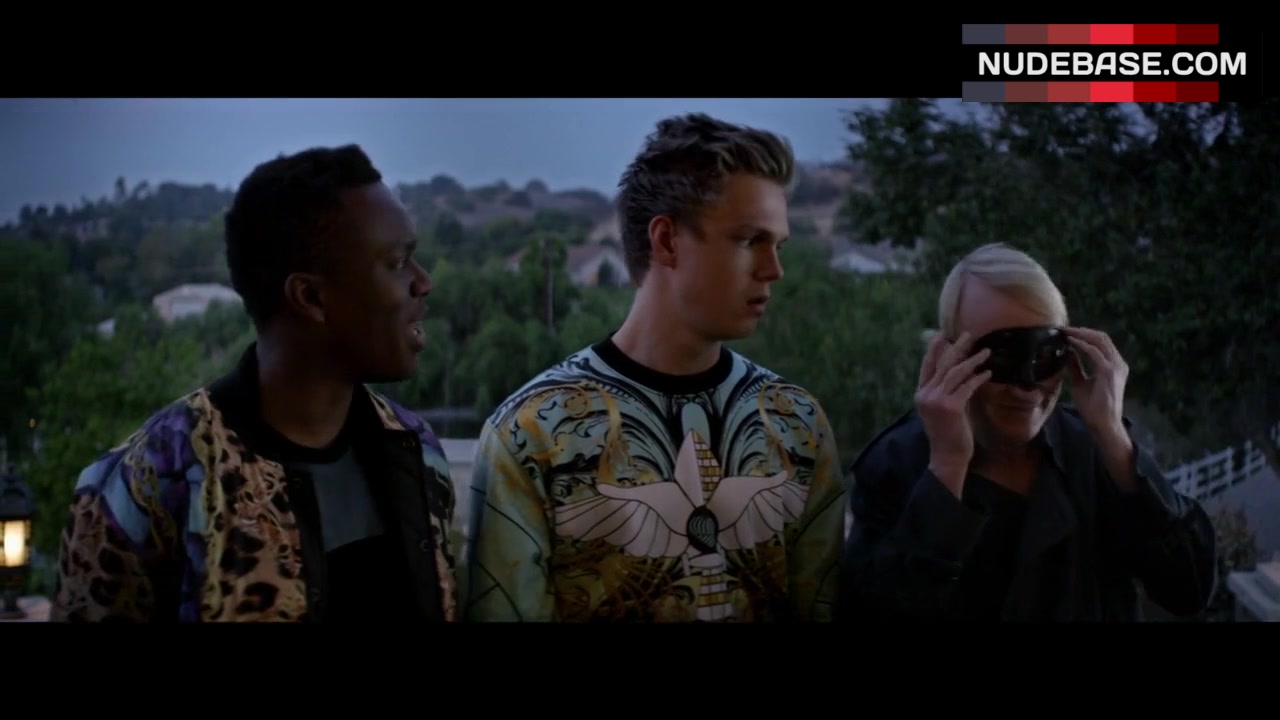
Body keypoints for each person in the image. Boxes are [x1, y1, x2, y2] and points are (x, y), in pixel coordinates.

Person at [459, 113, 846, 622]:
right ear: (666, 241)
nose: (774, 270)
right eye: (749, 240)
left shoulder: (798, 425)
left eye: (778, 245)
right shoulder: (532, 433)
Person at [50, 144, 457, 623]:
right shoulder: (147, 485)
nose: (424, 282)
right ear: (310, 297)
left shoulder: (415, 451)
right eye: (397, 262)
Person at [836, 242, 1217, 622]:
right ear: (950, 357)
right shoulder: (897, 464)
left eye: (1046, 355)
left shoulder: (1093, 452)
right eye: (1000, 357)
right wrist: (946, 470)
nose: (1026, 387)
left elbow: (1189, 589)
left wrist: (1114, 439)